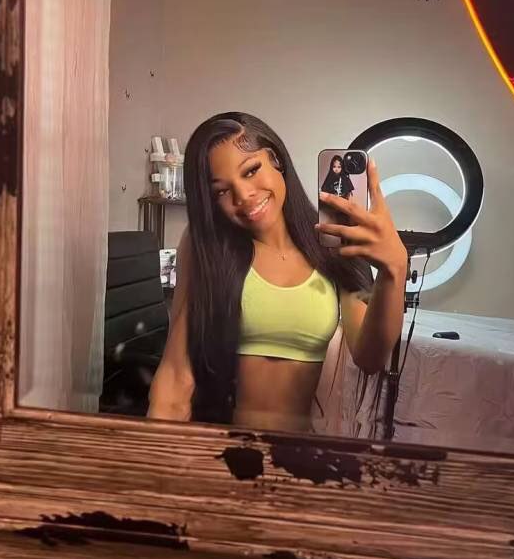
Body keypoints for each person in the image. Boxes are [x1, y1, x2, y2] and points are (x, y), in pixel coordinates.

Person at [147, 112, 407, 432]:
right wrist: (156, 454)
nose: (243, 196)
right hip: (221, 444)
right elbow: (176, 376)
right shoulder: (209, 247)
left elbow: (370, 357)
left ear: (276, 159)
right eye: (221, 191)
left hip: (296, 450)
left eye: (251, 170)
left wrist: (395, 268)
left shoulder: (332, 246)